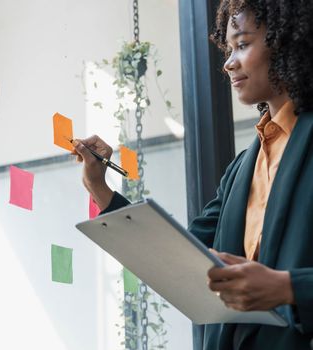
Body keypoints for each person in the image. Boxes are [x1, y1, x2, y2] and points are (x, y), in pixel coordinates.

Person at [72, 0, 313, 349]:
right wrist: (100, 188)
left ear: (287, 39)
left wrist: (288, 287)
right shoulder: (242, 168)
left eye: (243, 45)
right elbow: (180, 256)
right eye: (228, 49)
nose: (229, 63)